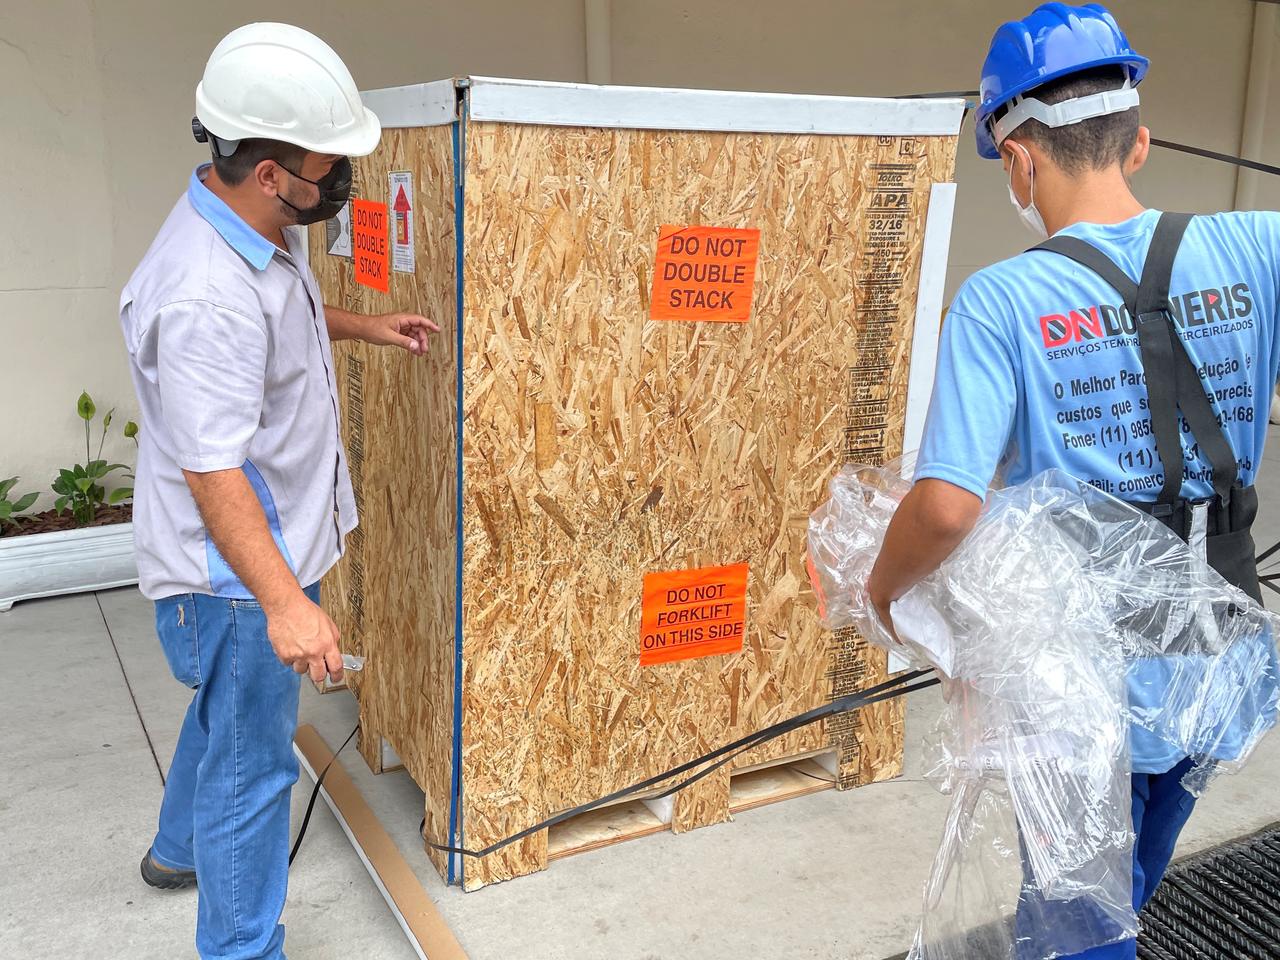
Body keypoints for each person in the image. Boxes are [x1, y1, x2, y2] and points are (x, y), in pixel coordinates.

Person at [867, 3, 1279, 958]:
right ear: (1138, 144)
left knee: (1080, 925)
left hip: (1081, 683)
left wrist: (883, 592)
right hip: (1222, 658)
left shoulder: (1001, 303)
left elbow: (946, 507)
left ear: (1018, 161)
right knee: (1123, 885)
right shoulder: (1259, 248)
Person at [119, 22, 438, 959]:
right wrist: (285, 604)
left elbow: (281, 318)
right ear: (269, 172)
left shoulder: (256, 228)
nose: (338, 183)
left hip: (257, 559)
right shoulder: (204, 296)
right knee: (254, 770)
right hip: (233, 579)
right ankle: (242, 949)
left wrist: (365, 326)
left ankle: (177, 850)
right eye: (327, 168)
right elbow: (212, 470)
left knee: (225, 714)